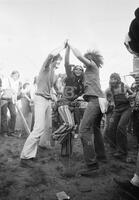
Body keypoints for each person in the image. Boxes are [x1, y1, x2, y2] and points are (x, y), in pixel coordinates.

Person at [20, 42, 66, 167]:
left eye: (59, 61)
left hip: (47, 100)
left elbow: (55, 89)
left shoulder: (55, 75)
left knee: (48, 127)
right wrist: (63, 46)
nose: (57, 63)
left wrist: (61, 96)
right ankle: (25, 157)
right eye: (56, 60)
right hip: (39, 99)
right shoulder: (45, 68)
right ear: (52, 61)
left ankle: (43, 144)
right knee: (39, 128)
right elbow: (51, 54)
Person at [67, 41, 106, 176]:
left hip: (96, 101)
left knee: (83, 130)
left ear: (90, 59)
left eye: (86, 59)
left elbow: (78, 56)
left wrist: (70, 45)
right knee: (95, 128)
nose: (83, 63)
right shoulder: (90, 72)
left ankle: (92, 166)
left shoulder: (92, 66)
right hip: (98, 100)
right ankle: (101, 156)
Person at [52, 45, 84, 156]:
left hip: (71, 106)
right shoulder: (70, 78)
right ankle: (54, 136)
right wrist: (68, 49)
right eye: (76, 69)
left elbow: (81, 96)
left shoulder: (81, 85)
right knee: (68, 125)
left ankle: (66, 152)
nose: (78, 70)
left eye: (80, 69)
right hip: (63, 104)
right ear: (73, 71)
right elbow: (66, 63)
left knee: (69, 130)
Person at [107, 73, 133, 161]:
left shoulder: (124, 86)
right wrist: (109, 102)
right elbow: (106, 97)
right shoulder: (110, 89)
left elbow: (133, 95)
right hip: (117, 110)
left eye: (114, 78)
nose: (112, 80)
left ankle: (123, 151)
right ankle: (115, 148)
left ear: (118, 79)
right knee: (110, 128)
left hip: (126, 109)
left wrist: (130, 96)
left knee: (121, 127)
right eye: (111, 78)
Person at [1, 70, 22, 136]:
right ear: (12, 74)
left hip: (11, 99)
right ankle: (4, 132)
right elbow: (2, 88)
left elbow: (15, 93)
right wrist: (9, 89)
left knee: (14, 114)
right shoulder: (6, 79)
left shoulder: (17, 82)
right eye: (15, 75)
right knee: (4, 115)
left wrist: (15, 98)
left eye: (17, 76)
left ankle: (11, 131)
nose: (16, 77)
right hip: (4, 98)